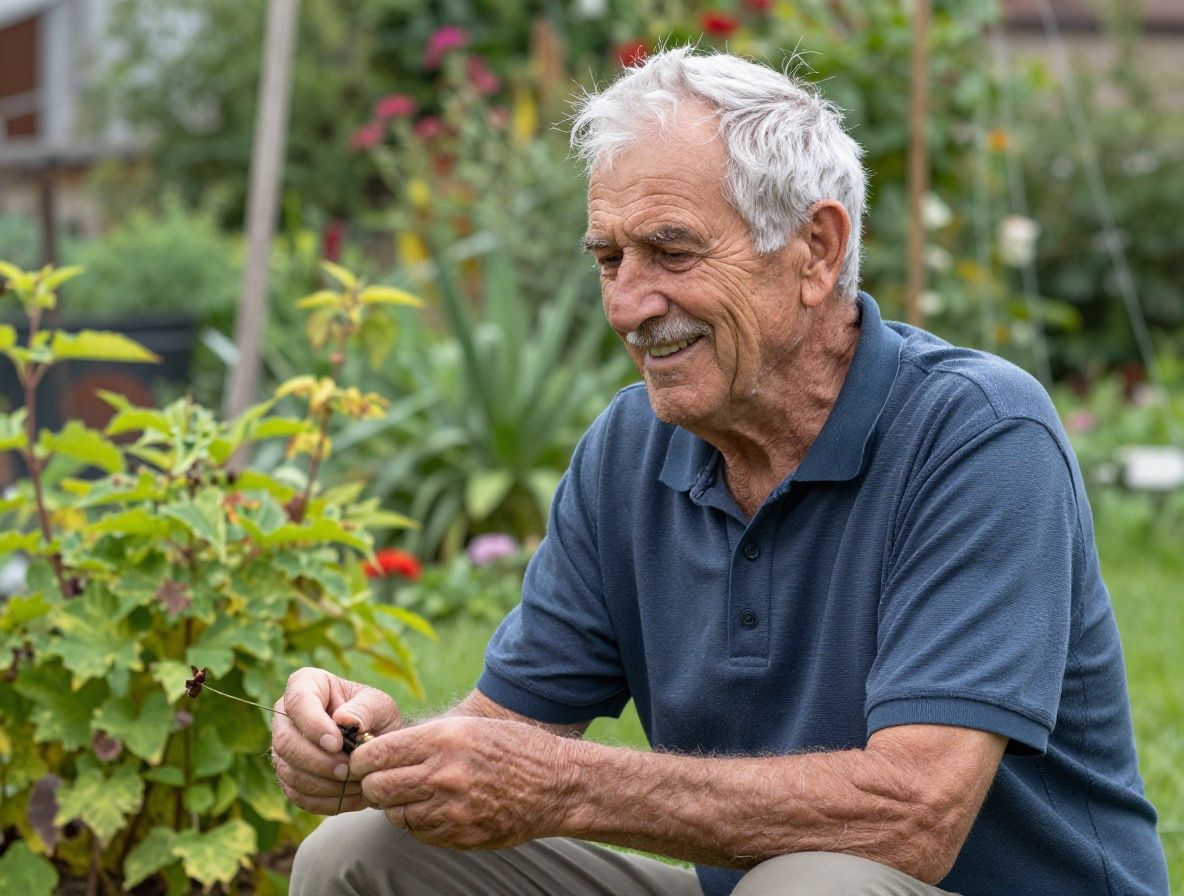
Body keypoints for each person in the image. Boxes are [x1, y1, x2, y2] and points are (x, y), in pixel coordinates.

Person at [271, 47, 1169, 895]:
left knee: (811, 883)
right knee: (366, 856)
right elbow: (504, 741)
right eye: (609, 259)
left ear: (816, 250)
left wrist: (566, 786)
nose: (629, 305)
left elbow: (913, 815)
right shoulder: (629, 449)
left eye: (672, 251)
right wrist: (379, 749)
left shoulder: (978, 435)